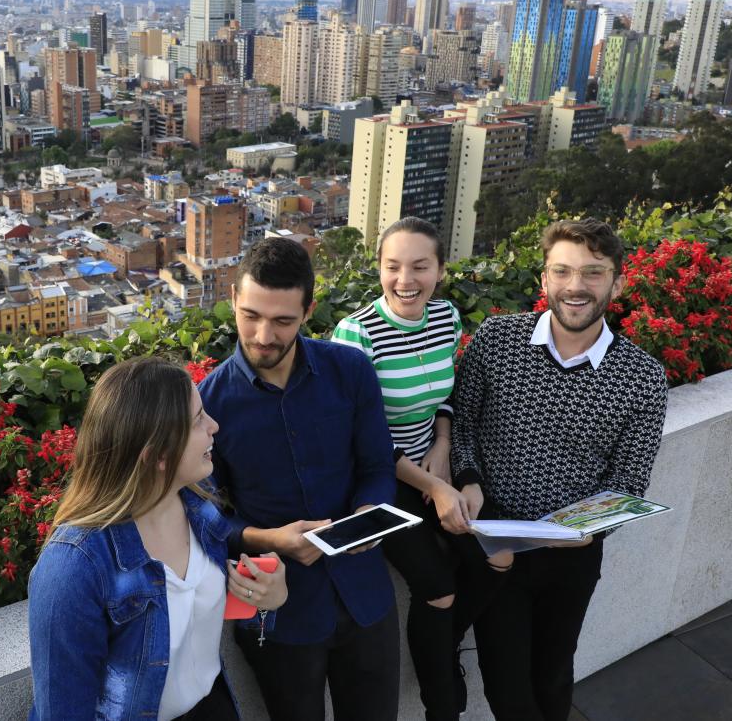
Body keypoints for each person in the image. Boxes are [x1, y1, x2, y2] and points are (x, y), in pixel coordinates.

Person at [450, 218, 668, 721]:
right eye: (563, 271)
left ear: (618, 282)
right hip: (496, 542)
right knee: (507, 688)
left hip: (571, 557)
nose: (576, 286)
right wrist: (469, 480)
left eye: (593, 273)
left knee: (553, 677)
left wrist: (589, 532)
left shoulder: (642, 378)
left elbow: (628, 483)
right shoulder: (497, 338)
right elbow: (463, 422)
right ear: (543, 278)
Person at [198, 237, 400, 721]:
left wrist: (369, 513)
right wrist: (269, 539)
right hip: (278, 617)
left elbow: (377, 467)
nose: (264, 335)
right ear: (232, 300)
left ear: (308, 310)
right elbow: (204, 516)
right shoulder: (208, 403)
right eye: (251, 316)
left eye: (283, 321)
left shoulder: (350, 370)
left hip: (366, 598)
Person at [28, 357, 289, 721]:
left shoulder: (198, 501)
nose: (214, 426)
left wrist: (267, 602)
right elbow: (63, 712)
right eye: (198, 419)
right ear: (158, 456)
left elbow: (197, 605)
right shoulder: (72, 566)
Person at [331, 217, 511, 721]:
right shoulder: (356, 333)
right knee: (438, 587)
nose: (405, 280)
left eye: (419, 267)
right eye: (392, 267)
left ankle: (440, 646)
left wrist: (443, 441)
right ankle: (443, 704)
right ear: (380, 269)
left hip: (430, 463)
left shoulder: (445, 317)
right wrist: (433, 485)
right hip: (377, 477)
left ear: (440, 271)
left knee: (499, 557)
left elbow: (447, 396)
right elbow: (357, 435)